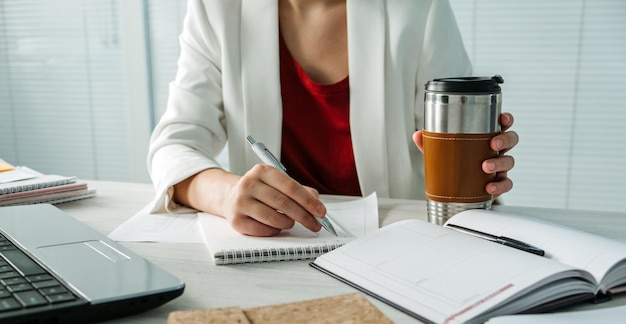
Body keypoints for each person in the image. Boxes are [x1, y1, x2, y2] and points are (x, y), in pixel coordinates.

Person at [147, 0, 518, 237]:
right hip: (275, 248)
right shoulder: (216, 9)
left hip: (396, 245)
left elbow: (460, 149)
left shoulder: (420, 8)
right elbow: (175, 143)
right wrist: (228, 195)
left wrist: (480, 167)